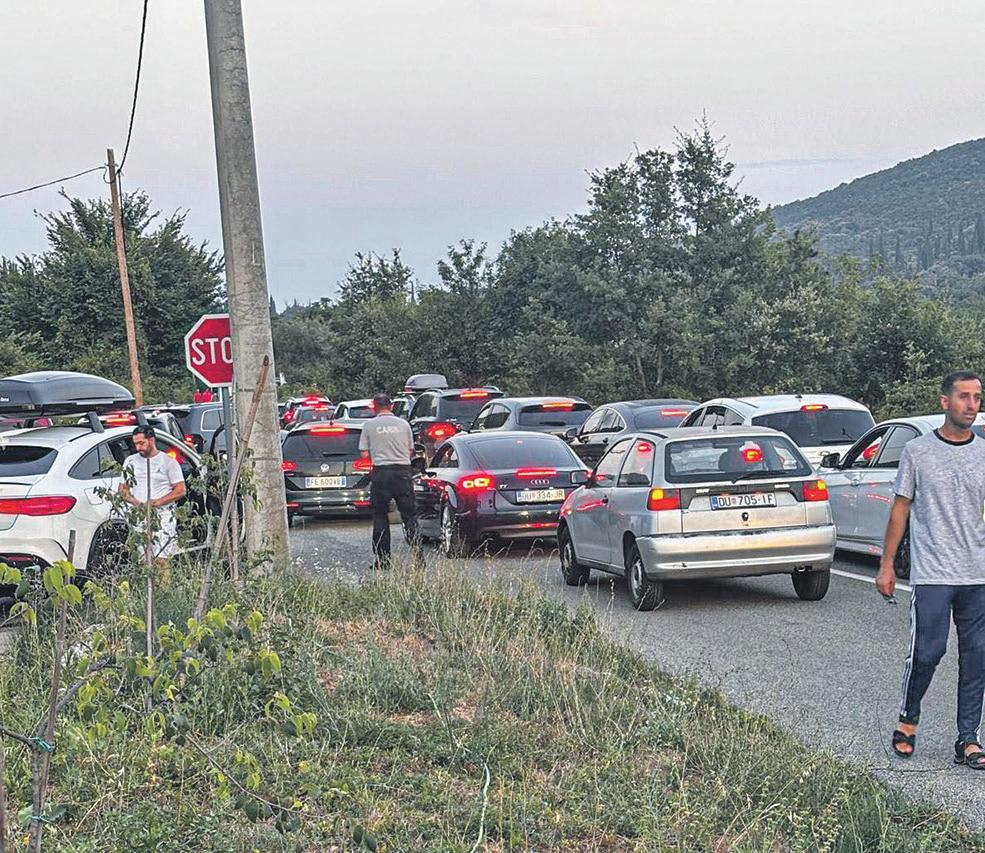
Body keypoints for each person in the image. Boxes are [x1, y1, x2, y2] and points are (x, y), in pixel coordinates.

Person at [878, 370, 985, 769]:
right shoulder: (918, 452)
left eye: (977, 397)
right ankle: (908, 718)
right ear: (945, 402)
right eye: (963, 397)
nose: (971, 405)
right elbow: (900, 509)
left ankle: (968, 739)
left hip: (978, 574)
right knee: (928, 651)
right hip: (933, 574)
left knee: (977, 657)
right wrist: (887, 564)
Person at [358, 393, 421, 568]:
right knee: (409, 515)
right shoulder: (403, 424)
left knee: (380, 516)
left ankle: (383, 561)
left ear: (374, 407)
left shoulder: (369, 426)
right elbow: (410, 450)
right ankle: (418, 557)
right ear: (391, 406)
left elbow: (364, 454)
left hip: (381, 473)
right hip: (403, 472)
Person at [119, 426, 187, 563]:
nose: (138, 447)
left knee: (161, 558)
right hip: (140, 515)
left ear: (151, 440)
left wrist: (156, 502)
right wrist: (136, 503)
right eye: (135, 444)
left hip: (163, 515)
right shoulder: (130, 461)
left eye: (141, 443)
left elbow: (180, 490)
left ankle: (164, 577)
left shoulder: (168, 461)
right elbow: (123, 490)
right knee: (144, 558)